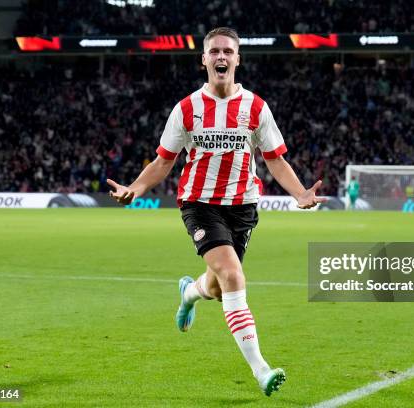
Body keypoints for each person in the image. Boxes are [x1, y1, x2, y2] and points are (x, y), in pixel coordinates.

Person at [107, 27, 326, 396]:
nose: (221, 57)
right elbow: (164, 161)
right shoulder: (187, 108)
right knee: (233, 276)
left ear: (237, 59)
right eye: (215, 51)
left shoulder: (256, 107)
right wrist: (136, 187)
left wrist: (300, 192)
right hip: (199, 204)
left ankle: (189, 293)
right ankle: (261, 370)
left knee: (219, 286)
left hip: (242, 208)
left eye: (228, 51)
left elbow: (275, 160)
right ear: (204, 59)